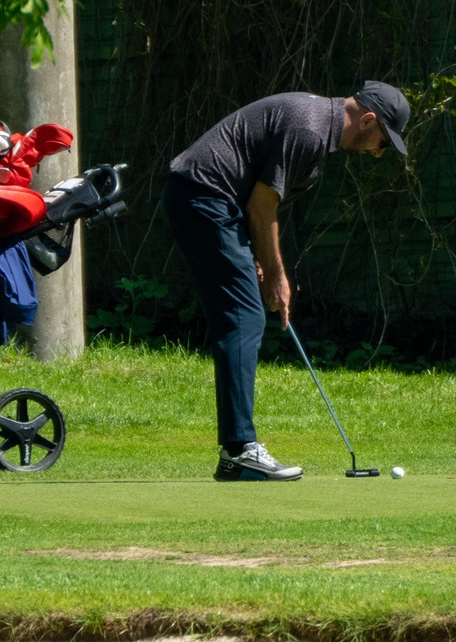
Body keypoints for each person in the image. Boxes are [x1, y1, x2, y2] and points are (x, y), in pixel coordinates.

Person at [163, 83, 410, 481]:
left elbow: (255, 201)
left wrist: (255, 255)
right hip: (204, 197)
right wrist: (276, 274)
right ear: (368, 120)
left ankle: (237, 451)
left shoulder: (318, 129)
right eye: (383, 142)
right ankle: (240, 451)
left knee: (243, 315)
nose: (378, 153)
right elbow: (262, 207)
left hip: (210, 200)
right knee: (244, 317)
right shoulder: (310, 130)